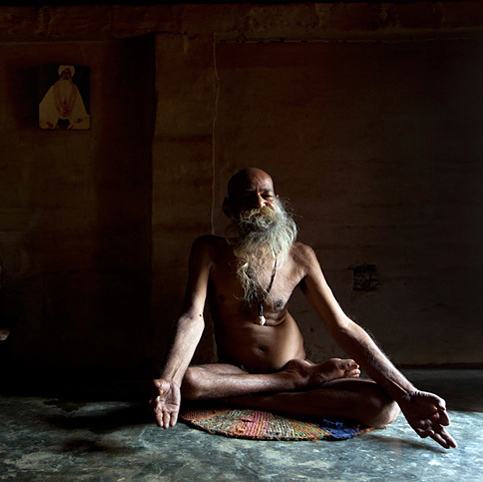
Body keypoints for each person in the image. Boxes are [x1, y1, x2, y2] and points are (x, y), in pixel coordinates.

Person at [151, 167, 457, 449]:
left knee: (383, 408)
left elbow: (342, 325)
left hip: (292, 363)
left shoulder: (300, 256)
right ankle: (290, 385)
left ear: (277, 202)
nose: (259, 203)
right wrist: (169, 379)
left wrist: (407, 393)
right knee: (188, 381)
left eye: (266, 195)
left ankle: (270, 389)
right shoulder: (209, 249)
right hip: (240, 371)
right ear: (229, 209)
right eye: (247, 197)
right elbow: (193, 316)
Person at [39, 65, 90, 130]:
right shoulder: (53, 88)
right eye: (63, 72)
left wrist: (78, 118)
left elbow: (79, 107)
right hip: (55, 119)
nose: (66, 75)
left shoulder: (75, 90)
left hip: (71, 120)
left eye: (68, 73)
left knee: (86, 123)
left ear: (71, 75)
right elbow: (46, 106)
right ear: (60, 74)